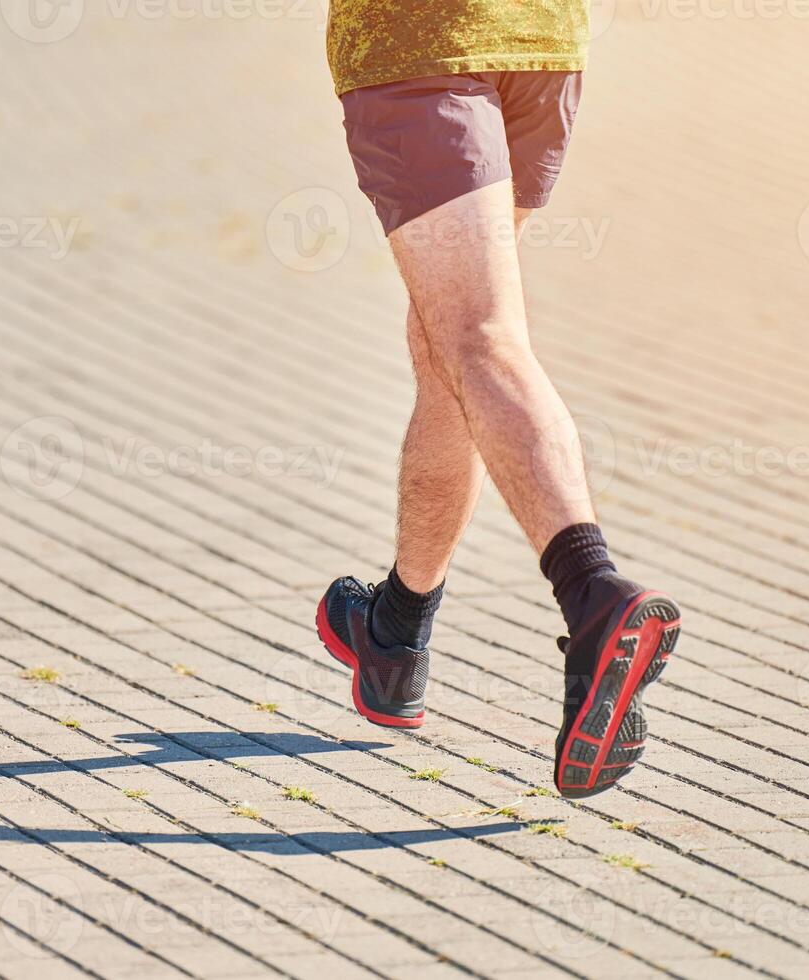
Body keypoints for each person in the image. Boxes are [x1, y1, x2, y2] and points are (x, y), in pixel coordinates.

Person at [313, 0, 682, 798]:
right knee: (446, 343)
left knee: (480, 338)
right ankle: (397, 634)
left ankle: (592, 596)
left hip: (420, 45)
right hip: (541, 46)